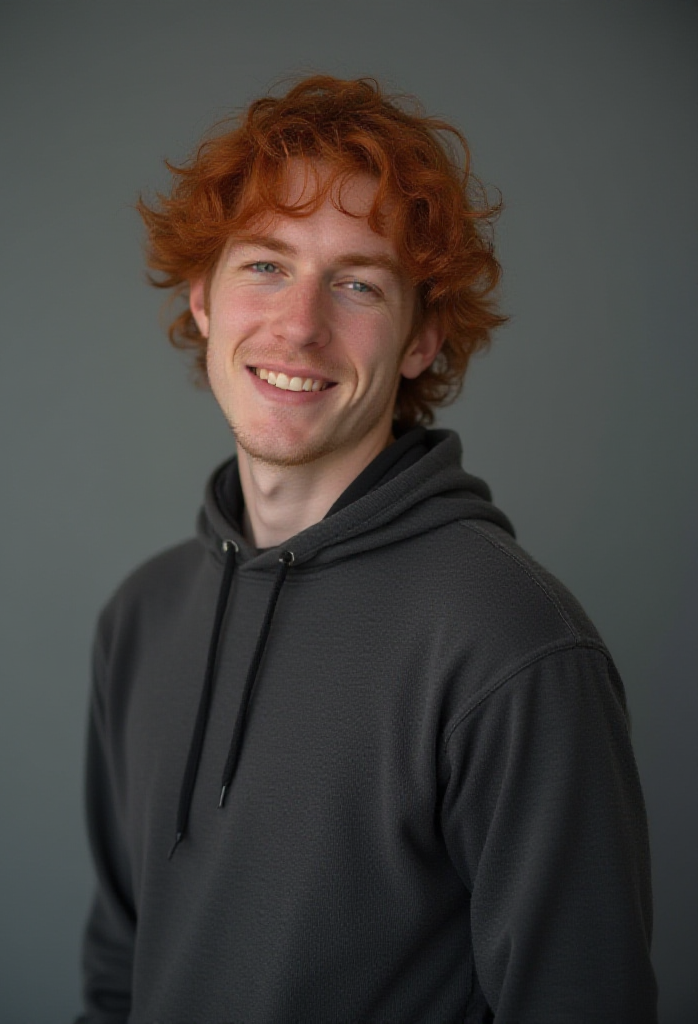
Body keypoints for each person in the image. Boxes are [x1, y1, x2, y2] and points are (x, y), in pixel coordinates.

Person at [76, 76, 658, 1023]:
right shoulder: (142, 618)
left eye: (357, 284)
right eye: (266, 265)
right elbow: (119, 973)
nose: (300, 325)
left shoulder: (510, 643)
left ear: (422, 338)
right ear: (203, 298)